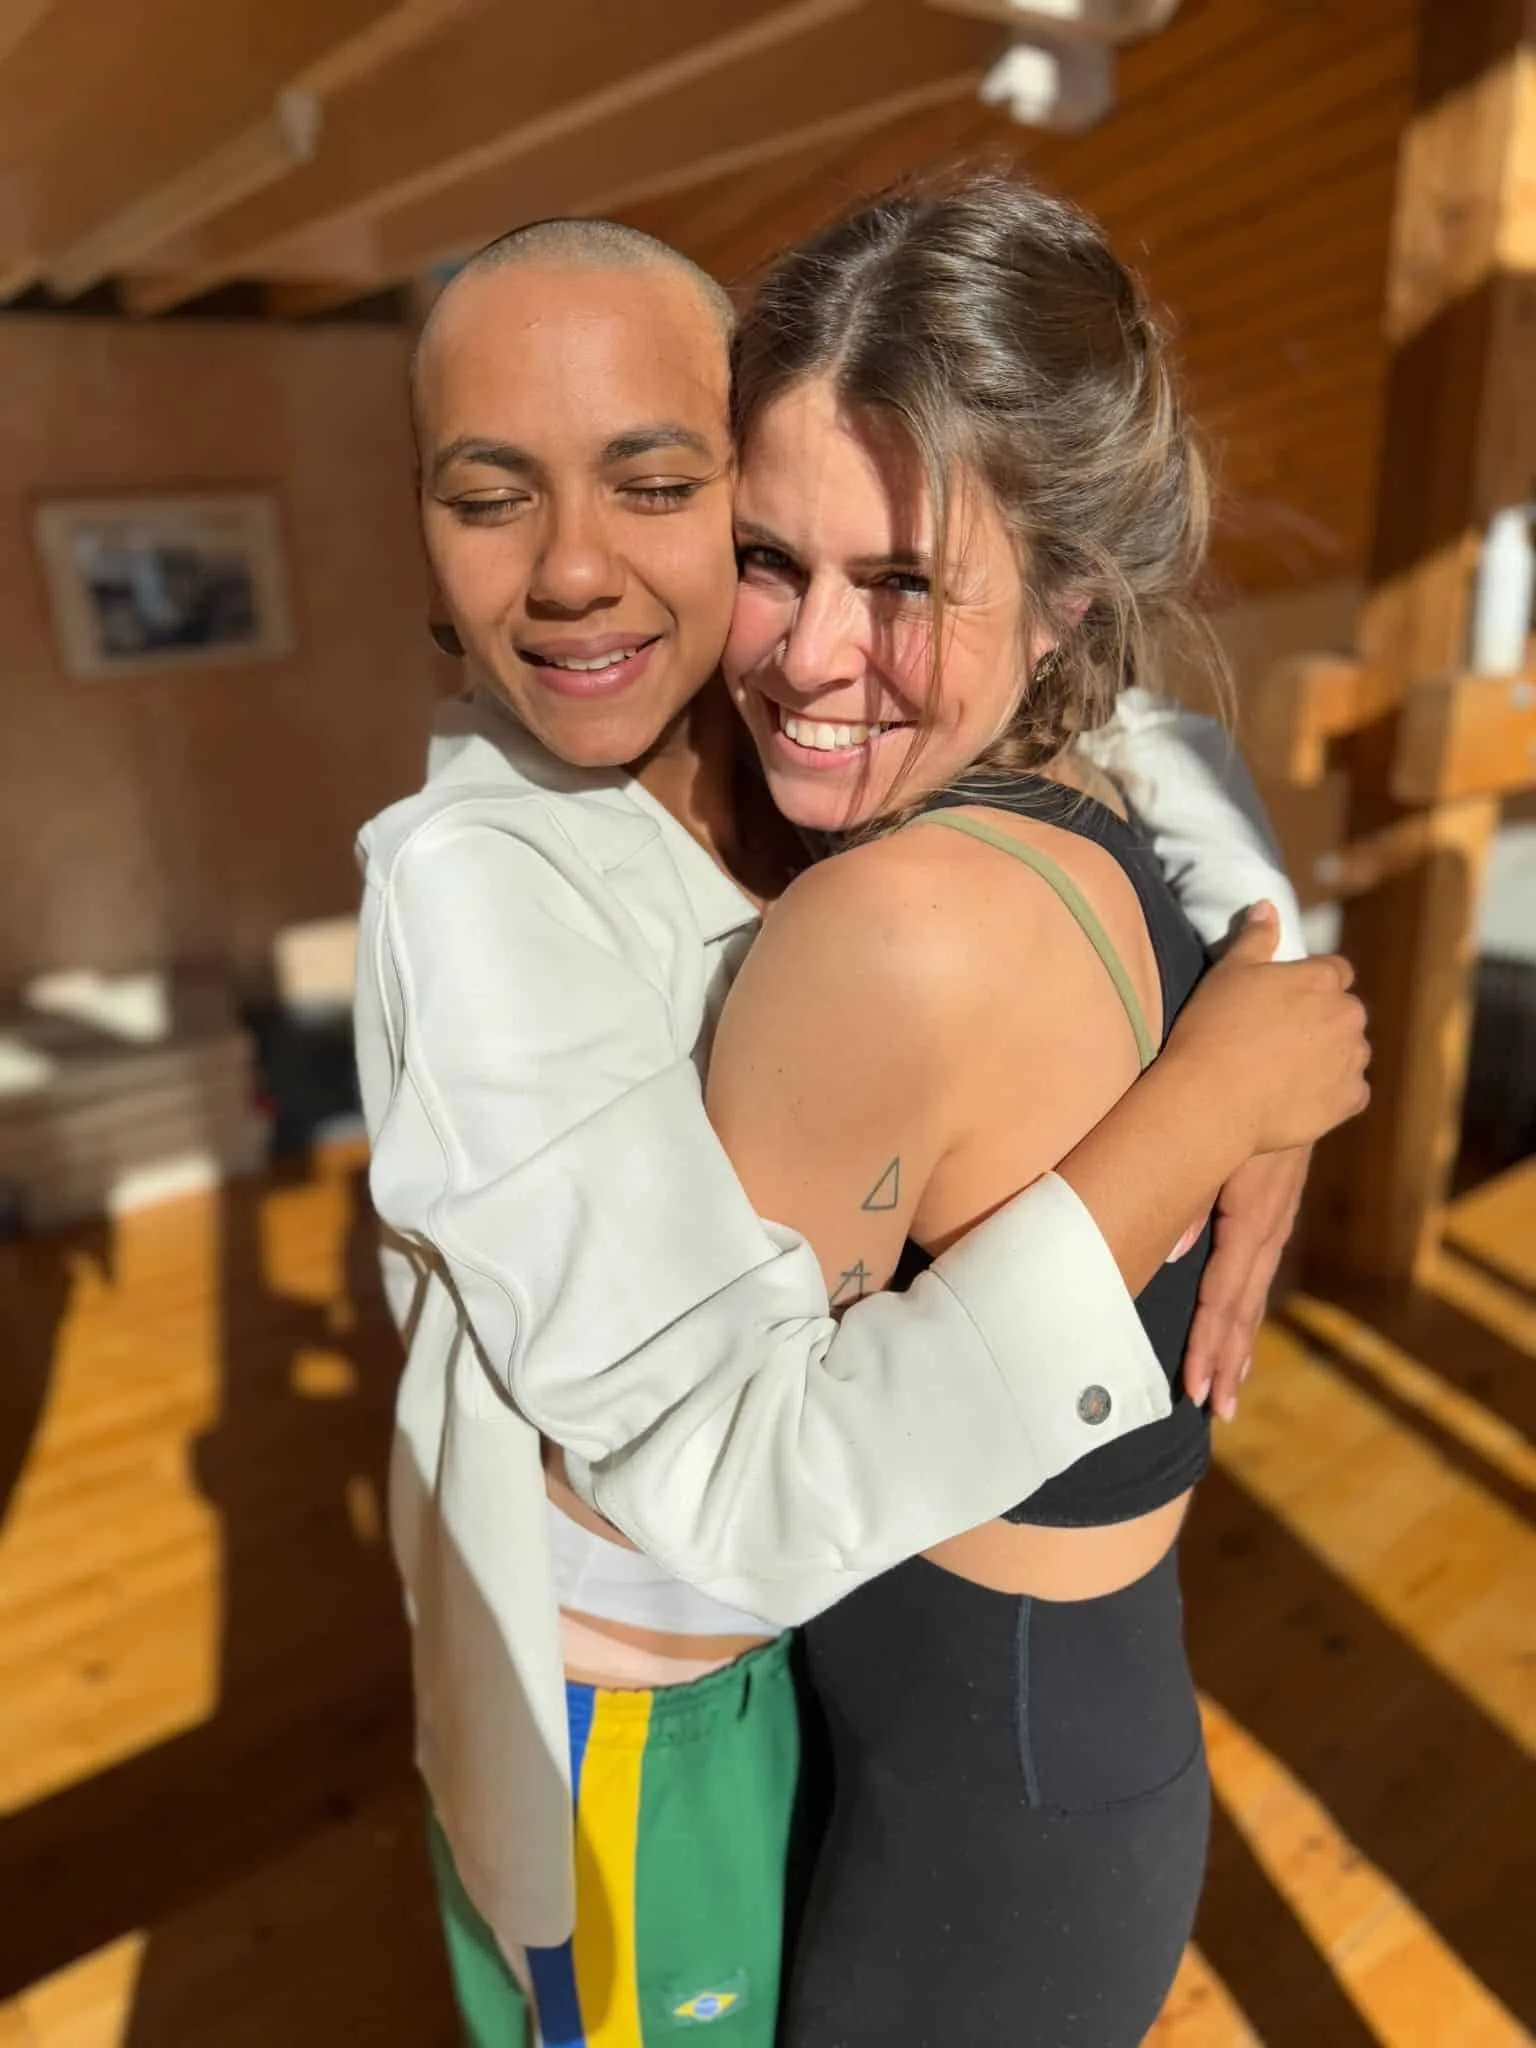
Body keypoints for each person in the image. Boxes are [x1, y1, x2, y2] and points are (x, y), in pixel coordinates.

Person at [353, 217, 1368, 2046]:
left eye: (661, 487)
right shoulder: (478, 880)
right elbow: (721, 1486)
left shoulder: (850, 807)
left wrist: (1275, 956)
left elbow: (1146, 736)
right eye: (771, 559)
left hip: (923, 1746)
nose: (816, 650)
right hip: (643, 1706)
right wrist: (1217, 1099)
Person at [702, 172, 1341, 2045]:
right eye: (768, 555)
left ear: (1067, 600)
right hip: (1074, 1766)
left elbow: (719, 1500)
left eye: (901, 582)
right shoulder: (1101, 830)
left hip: (965, 1845)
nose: (811, 657)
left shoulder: (886, 924)